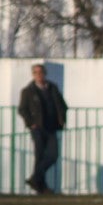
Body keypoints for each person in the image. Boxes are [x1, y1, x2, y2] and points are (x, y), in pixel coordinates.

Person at [17, 63, 69, 195]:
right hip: (37, 128)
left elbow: (62, 105)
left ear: (45, 74)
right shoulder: (28, 91)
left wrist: (61, 119)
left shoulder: (52, 88)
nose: (39, 75)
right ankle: (41, 187)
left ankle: (35, 179)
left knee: (52, 155)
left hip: (51, 127)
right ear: (33, 75)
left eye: (41, 72)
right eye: (36, 73)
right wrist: (31, 123)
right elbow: (22, 109)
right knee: (39, 156)